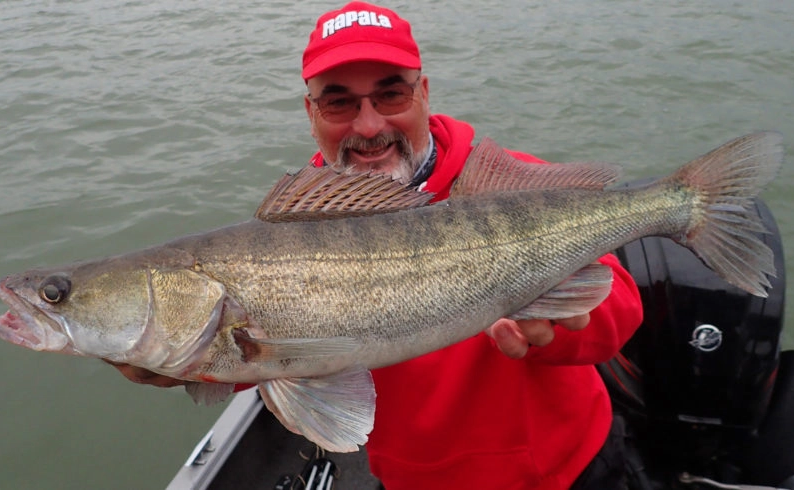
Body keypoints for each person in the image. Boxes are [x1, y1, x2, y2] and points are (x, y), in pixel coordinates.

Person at [113, 2, 644, 489]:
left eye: (391, 94)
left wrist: (558, 328)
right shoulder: (282, 229)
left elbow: (620, 309)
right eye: (339, 102)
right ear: (311, 112)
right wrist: (195, 363)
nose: (369, 125)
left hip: (563, 473)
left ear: (424, 92)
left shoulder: (507, 188)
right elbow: (278, 354)